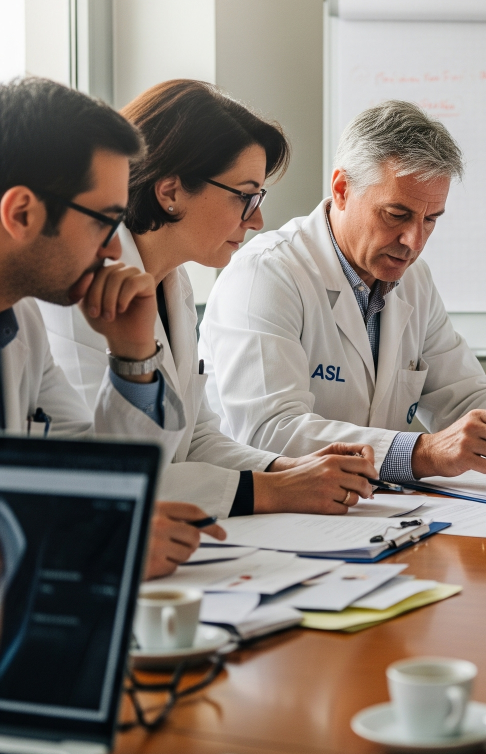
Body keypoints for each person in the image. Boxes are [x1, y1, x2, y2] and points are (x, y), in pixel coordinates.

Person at [200, 100, 486, 479]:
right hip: (274, 519)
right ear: (341, 189)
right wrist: (422, 452)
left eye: (431, 220)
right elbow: (270, 431)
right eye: (397, 214)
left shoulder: (414, 279)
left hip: (378, 511)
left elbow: (459, 391)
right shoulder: (267, 274)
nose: (414, 240)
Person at [41, 80, 382, 520]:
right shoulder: (78, 295)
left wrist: (289, 468)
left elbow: (195, 436)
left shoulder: (174, 282)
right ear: (170, 192)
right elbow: (110, 472)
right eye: (245, 196)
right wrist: (274, 490)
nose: (257, 219)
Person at [0, 78, 225, 579]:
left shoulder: (23, 322)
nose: (113, 250)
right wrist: (96, 543)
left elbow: (98, 475)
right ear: (21, 213)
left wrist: (133, 357)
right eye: (104, 221)